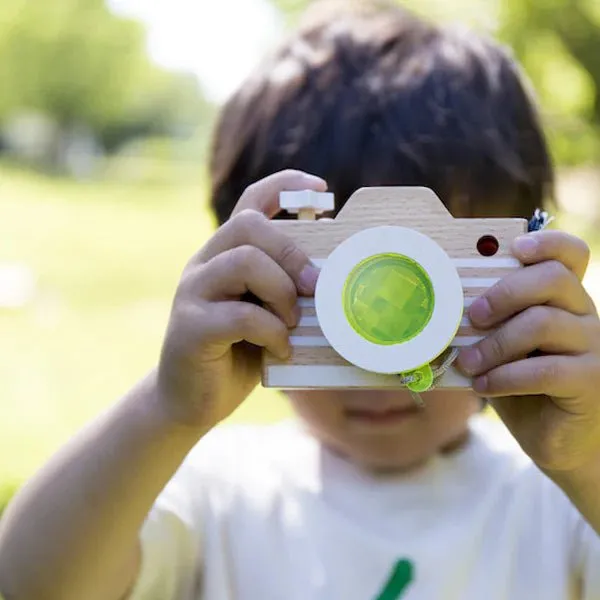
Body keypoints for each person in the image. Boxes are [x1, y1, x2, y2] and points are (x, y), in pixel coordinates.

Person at [1, 2, 600, 599]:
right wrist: (167, 411)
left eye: (424, 291)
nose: (377, 358)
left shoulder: (558, 497)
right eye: (336, 290)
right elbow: (27, 583)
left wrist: (587, 459)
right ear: (248, 275)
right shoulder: (217, 491)